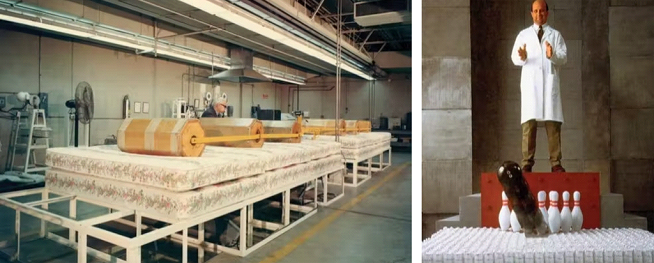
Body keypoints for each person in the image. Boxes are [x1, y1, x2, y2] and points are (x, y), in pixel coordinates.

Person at [511, 0, 567, 173]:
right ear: (531, 13)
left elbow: (563, 57)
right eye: (535, 11)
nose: (539, 14)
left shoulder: (555, 35)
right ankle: (527, 163)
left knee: (553, 127)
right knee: (529, 126)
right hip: (531, 87)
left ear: (547, 13)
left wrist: (553, 55)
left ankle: (555, 163)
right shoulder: (523, 35)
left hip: (549, 86)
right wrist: (523, 56)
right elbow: (514, 58)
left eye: (542, 11)